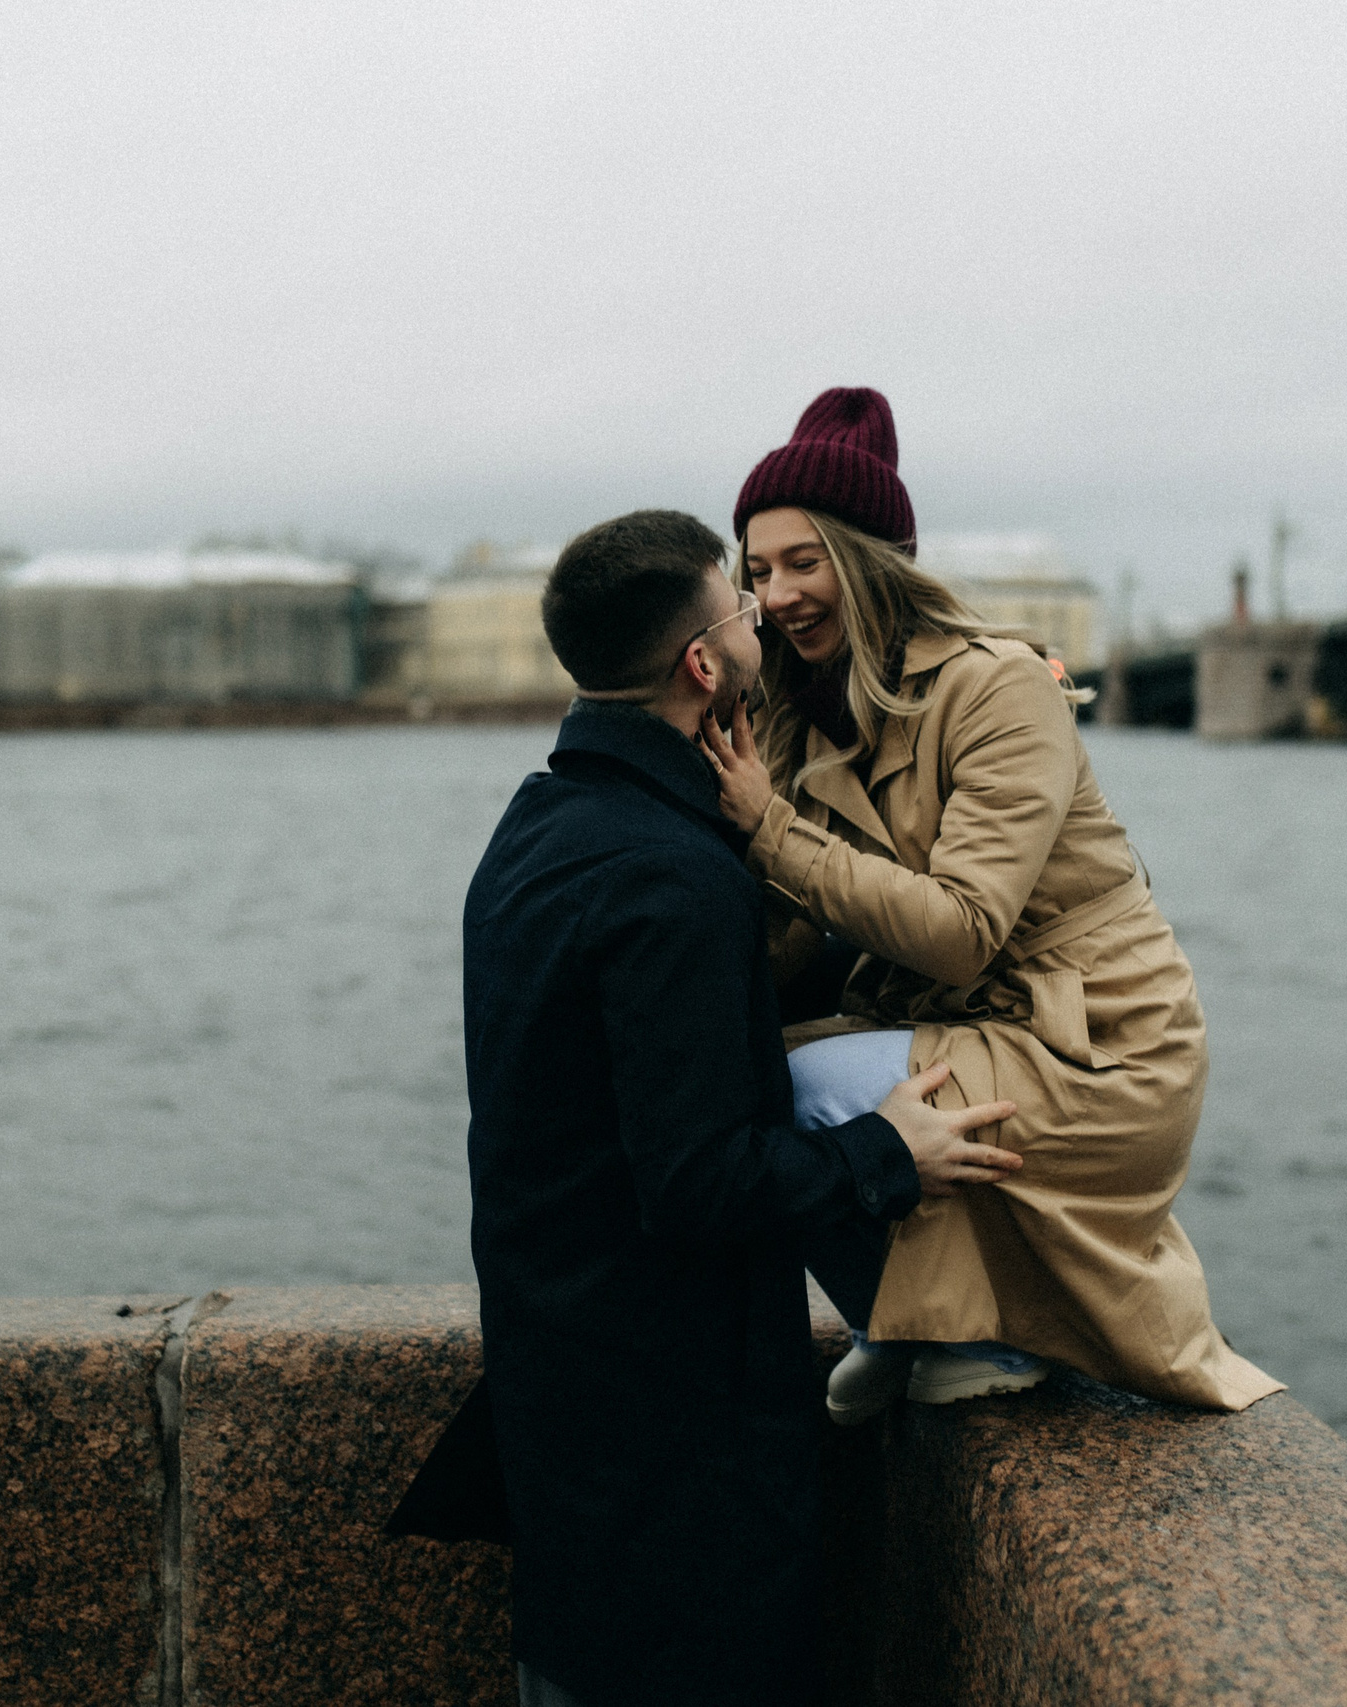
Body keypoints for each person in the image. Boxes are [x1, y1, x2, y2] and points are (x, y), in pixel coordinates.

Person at [460, 509, 1024, 1707]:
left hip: (565, 1388)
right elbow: (698, 1179)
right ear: (702, 665)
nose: (765, 612)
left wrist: (998, 693)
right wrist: (885, 1152)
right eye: (739, 604)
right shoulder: (664, 876)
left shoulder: (544, 828)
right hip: (676, 1440)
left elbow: (669, 1052)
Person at [700, 388, 1284, 1420]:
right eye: (756, 570)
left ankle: (972, 1329)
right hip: (975, 1032)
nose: (778, 592)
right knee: (735, 1079)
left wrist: (765, 828)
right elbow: (791, 929)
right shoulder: (796, 711)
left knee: (797, 1094)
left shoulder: (995, 688)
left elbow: (962, 932)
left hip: (1098, 1048)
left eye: (805, 560)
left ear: (871, 559)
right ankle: (907, 1315)